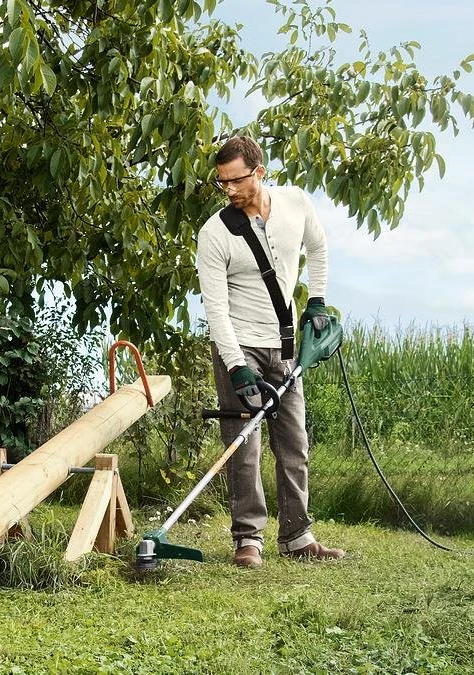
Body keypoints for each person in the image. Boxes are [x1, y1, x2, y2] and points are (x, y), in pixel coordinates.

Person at [195, 135, 346, 568]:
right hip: (239, 346)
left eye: (236, 180)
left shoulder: (296, 203)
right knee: (244, 447)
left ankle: (297, 536)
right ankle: (248, 539)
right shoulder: (215, 233)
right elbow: (216, 309)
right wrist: (236, 366)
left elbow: (318, 247)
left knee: (294, 444)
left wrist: (317, 299)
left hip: (285, 346)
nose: (229, 190)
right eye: (222, 182)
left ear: (259, 172)